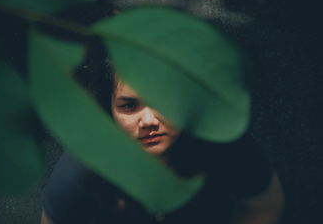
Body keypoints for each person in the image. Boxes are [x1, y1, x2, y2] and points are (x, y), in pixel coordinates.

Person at [40, 50, 285, 224]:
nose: (148, 121)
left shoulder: (223, 143)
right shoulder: (84, 166)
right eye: (128, 106)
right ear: (109, 112)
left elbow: (264, 205)